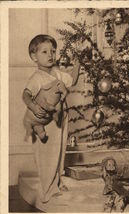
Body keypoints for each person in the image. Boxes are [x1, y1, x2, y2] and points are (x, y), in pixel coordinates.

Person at [22, 34, 80, 203]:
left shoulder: (57, 73)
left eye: (53, 51)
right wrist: (33, 107)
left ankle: (58, 180)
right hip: (45, 122)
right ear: (34, 56)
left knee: (60, 150)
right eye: (45, 52)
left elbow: (73, 80)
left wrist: (78, 65)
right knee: (48, 153)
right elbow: (26, 95)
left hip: (62, 116)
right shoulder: (37, 77)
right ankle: (48, 188)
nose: (50, 55)